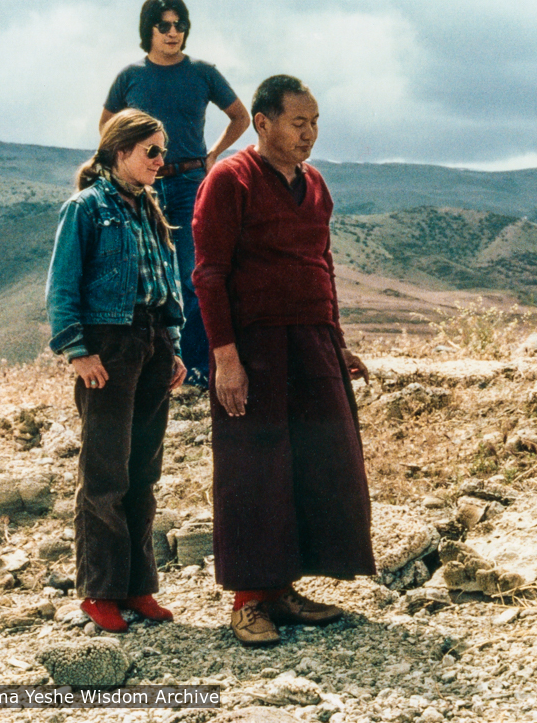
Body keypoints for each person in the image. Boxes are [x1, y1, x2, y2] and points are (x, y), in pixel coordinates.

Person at [192, 75, 376, 646]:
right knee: (255, 468)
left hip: (313, 342)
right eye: (299, 122)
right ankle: (250, 600)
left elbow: (322, 264)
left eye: (315, 122)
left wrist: (337, 339)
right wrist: (225, 358)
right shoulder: (230, 179)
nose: (310, 133)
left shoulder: (315, 184)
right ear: (263, 123)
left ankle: (284, 589)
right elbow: (209, 274)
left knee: (317, 462)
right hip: (255, 346)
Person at [46, 109, 187, 633]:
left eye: (163, 150)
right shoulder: (86, 208)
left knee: (143, 471)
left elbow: (165, 284)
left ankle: (137, 586)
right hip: (108, 343)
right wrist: (78, 351)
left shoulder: (150, 209)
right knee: (105, 472)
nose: (160, 159)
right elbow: (62, 285)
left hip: (150, 341)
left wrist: (171, 345)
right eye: (151, 150)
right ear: (119, 150)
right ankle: (99, 592)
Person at [101, 0, 250, 389]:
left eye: (179, 25)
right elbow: (107, 127)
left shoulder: (202, 73)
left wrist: (215, 154)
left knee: (192, 276)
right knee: (149, 280)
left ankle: (200, 367)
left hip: (188, 185)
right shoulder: (130, 77)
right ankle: (158, 367)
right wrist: (125, 168)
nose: (173, 33)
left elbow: (240, 116)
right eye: (164, 25)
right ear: (147, 30)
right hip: (142, 188)